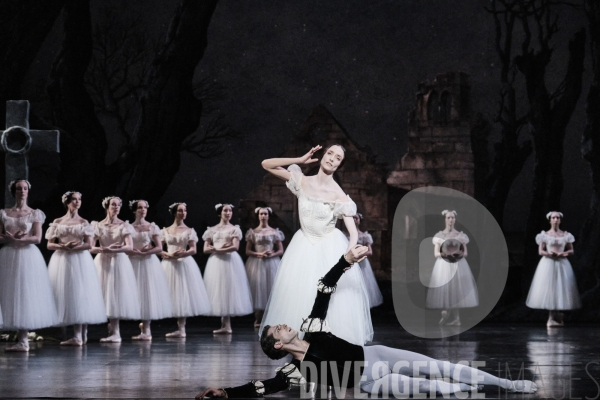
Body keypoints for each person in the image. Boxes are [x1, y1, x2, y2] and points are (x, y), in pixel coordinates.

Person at [196, 246, 537, 398]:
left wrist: (345, 261)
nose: (284, 324)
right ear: (279, 345)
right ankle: (479, 391)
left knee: (441, 366)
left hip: (375, 356)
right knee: (437, 388)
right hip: (370, 383)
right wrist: (225, 392)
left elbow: (323, 288)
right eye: (278, 329)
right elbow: (262, 387)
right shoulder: (292, 371)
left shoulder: (312, 327)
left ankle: (509, 385)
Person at [259, 144, 372, 345]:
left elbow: (353, 234)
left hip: (328, 247)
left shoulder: (340, 196)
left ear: (340, 164)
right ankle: (299, 351)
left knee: (329, 300)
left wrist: (348, 257)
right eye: (330, 153)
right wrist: (300, 160)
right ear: (323, 155)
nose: (331, 159)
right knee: (299, 296)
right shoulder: (301, 180)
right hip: (302, 247)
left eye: (337, 158)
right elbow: (266, 164)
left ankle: (325, 351)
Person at [0, 179, 58, 351]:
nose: (22, 191)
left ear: (28, 191)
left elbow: (38, 238)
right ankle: (20, 339)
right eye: (19, 189)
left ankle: (23, 340)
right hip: (9, 253)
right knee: (10, 293)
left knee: (25, 293)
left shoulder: (35, 213)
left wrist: (22, 238)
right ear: (14, 191)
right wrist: (9, 239)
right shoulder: (4, 212)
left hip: (27, 255)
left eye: (25, 188)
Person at [46, 191, 106, 346]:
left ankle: (79, 335)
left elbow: (89, 244)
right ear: (67, 202)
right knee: (67, 293)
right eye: (74, 199)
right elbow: (49, 244)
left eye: (79, 199)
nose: (77, 202)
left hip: (79, 259)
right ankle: (78, 333)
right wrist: (63, 245)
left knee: (79, 293)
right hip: (62, 259)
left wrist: (77, 246)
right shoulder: (58, 221)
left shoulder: (84, 222)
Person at [91, 196, 141, 343]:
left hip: (118, 261)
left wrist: (116, 249)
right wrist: (104, 249)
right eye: (114, 205)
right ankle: (109, 328)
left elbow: (129, 246)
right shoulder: (98, 225)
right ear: (107, 206)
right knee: (102, 293)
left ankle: (116, 331)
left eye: (119, 205)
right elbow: (90, 247)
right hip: (102, 261)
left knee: (115, 294)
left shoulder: (124, 225)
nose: (117, 207)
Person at [161, 202, 211, 338]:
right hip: (169, 263)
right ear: (174, 213)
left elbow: (193, 249)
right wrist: (167, 254)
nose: (183, 213)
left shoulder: (189, 231)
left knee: (183, 293)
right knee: (170, 292)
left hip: (184, 263)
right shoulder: (165, 230)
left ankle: (181, 328)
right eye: (180, 211)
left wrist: (183, 253)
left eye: (184, 211)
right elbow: (159, 248)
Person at [203, 203, 253, 333]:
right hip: (216, 262)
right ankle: (225, 325)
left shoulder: (234, 229)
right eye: (225, 210)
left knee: (228, 288)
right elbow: (205, 248)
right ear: (220, 213)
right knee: (219, 289)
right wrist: (218, 249)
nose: (228, 213)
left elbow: (235, 247)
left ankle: (227, 325)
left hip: (230, 260)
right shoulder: (211, 230)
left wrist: (218, 249)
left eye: (230, 211)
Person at [526, 211, 581, 327]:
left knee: (559, 288)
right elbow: (540, 251)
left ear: (560, 220)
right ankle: (551, 317)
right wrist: (549, 253)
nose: (555, 219)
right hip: (548, 263)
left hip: (561, 263)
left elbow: (571, 250)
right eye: (553, 217)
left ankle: (557, 315)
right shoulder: (544, 235)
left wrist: (563, 253)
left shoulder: (566, 235)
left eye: (557, 218)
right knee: (550, 288)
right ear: (550, 220)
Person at [128, 200, 173, 340]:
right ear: (134, 210)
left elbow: (159, 247)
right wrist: (133, 250)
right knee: (135, 292)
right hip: (133, 261)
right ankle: (140, 325)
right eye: (140, 208)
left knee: (147, 292)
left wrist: (148, 251)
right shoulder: (128, 227)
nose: (143, 210)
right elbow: (126, 246)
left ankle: (147, 330)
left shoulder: (152, 227)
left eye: (145, 207)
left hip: (148, 262)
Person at [426, 210, 478, 326]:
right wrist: (446, 255)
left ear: (455, 219)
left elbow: (465, 253)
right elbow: (436, 253)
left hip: (457, 264)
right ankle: (445, 312)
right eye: (448, 218)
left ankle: (456, 318)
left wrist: (456, 255)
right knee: (445, 288)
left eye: (452, 218)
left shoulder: (460, 236)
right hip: (444, 265)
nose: (450, 220)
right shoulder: (439, 236)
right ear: (445, 219)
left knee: (456, 290)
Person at [245, 206, 285, 327]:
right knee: (258, 287)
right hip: (257, 262)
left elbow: (281, 250)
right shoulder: (253, 232)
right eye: (261, 214)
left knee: (270, 287)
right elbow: (247, 251)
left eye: (265, 214)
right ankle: (258, 317)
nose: (263, 216)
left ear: (268, 216)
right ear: (258, 216)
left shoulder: (274, 232)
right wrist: (258, 254)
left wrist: (272, 254)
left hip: (271, 262)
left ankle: (270, 317)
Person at [345, 213, 383, 308]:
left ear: (359, 221)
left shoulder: (364, 236)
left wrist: (359, 254)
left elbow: (370, 251)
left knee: (362, 283)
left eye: (356, 218)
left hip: (361, 263)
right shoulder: (344, 235)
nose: (354, 220)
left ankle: (361, 304)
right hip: (350, 262)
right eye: (352, 218)